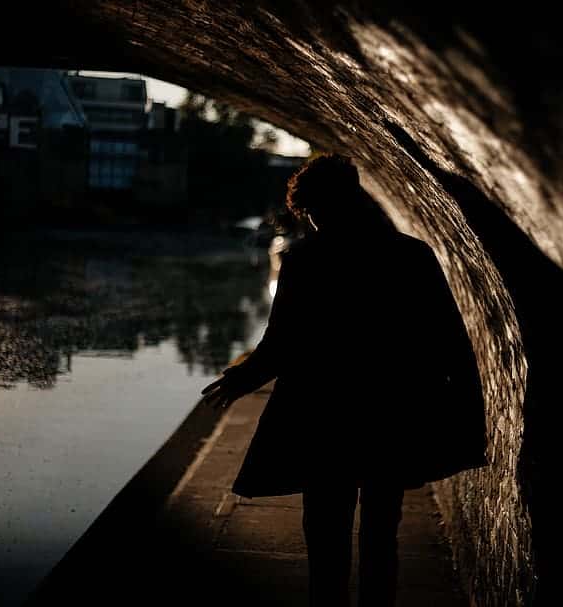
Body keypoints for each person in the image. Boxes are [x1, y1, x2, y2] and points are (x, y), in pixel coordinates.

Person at [201, 153, 487, 607]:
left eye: (312, 213)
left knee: (326, 531)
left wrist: (240, 379)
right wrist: (469, 411)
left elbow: (282, 345)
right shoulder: (414, 255)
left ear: (321, 207)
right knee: (381, 532)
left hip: (323, 418)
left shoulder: (306, 261)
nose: (313, 223)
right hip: (393, 414)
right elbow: (449, 337)